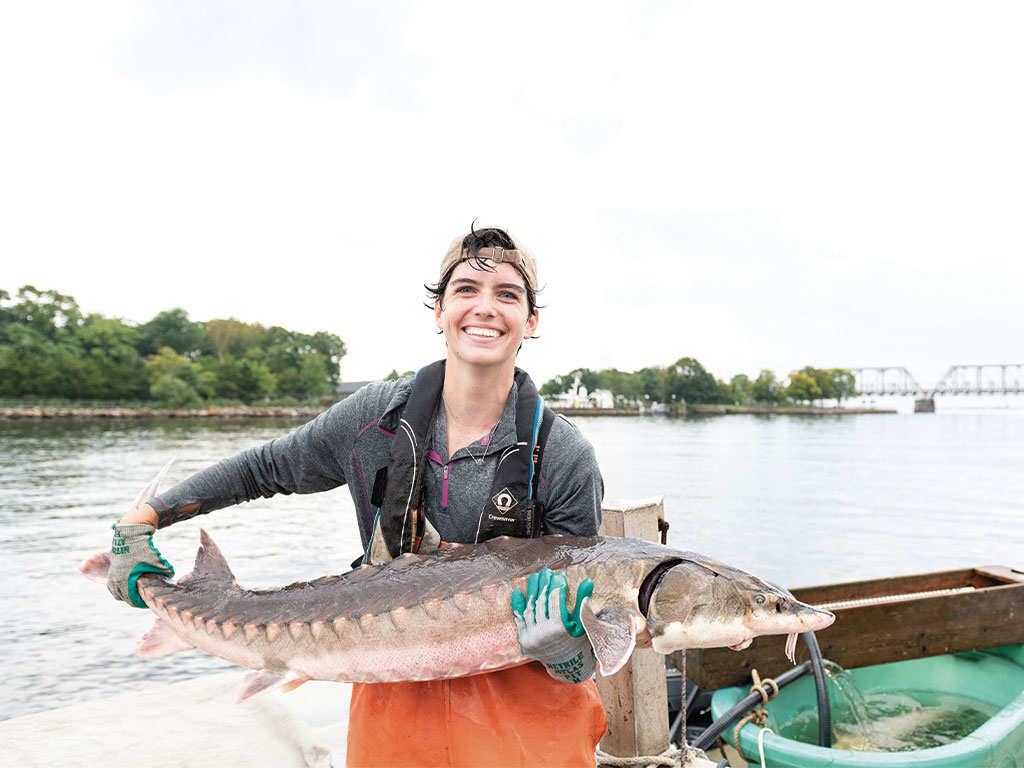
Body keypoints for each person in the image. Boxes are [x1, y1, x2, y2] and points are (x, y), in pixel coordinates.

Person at [106, 224, 608, 767]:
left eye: (507, 294)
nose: (484, 307)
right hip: (391, 700)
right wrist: (144, 519)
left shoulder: (563, 455)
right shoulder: (374, 419)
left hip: (527, 724)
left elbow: (585, 639)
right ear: (439, 310)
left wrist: (567, 653)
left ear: (531, 321)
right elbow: (264, 469)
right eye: (466, 289)